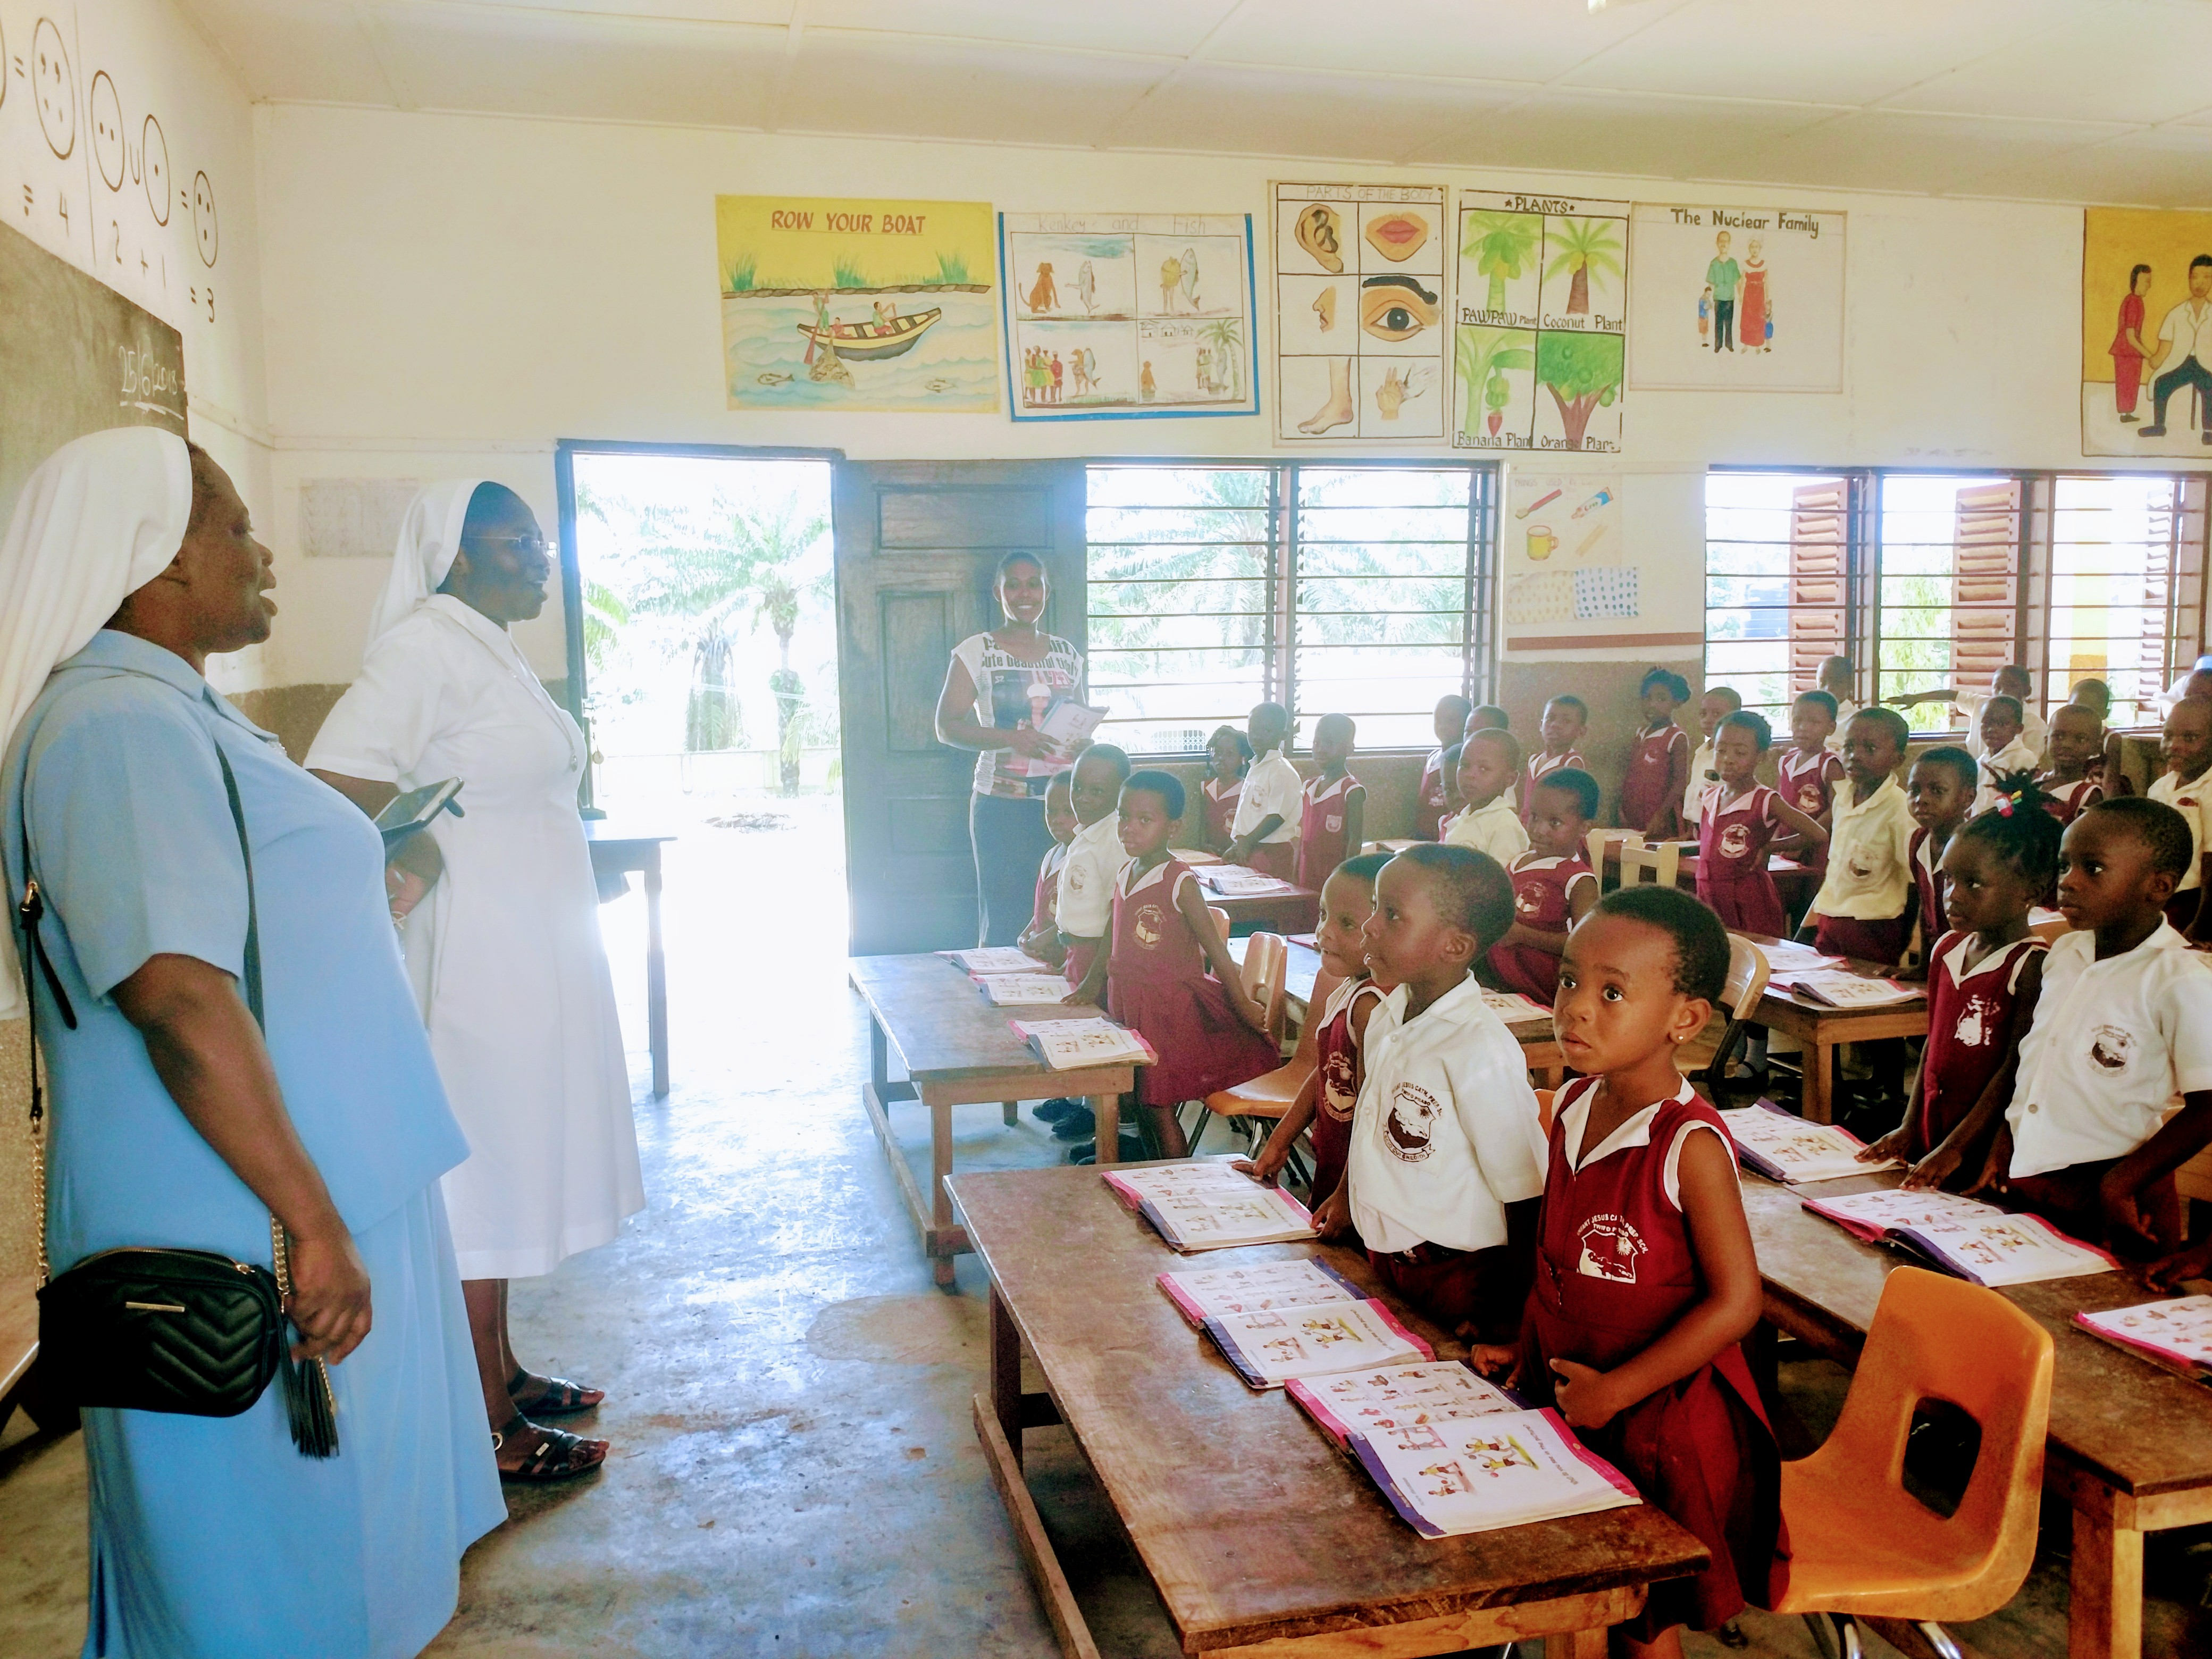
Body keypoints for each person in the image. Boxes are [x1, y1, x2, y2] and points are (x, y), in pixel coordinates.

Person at [0, 430, 504, 1653]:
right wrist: (314, 1221)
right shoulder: (114, 725)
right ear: (151, 557)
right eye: (230, 521)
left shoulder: (180, 712)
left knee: (332, 1556)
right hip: (239, 1227)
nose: (258, 546)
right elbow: (175, 997)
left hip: (302, 1192)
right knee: (259, 1576)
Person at [308, 479, 640, 1477]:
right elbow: (332, 790)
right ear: (456, 555)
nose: (541, 556)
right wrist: (408, 863)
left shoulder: (488, 646)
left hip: (531, 953)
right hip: (476, 969)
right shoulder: (422, 648)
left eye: (541, 541)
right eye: (517, 542)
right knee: (480, 1177)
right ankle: (487, 1424)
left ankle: (502, 1366)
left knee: (510, 1159)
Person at [1519, 887, 1779, 1656]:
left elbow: (1738, 1304)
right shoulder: (1571, 1104)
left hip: (1662, 1417)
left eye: (1611, 993)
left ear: (1685, 1019)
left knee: (1643, 1615)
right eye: (1570, 981)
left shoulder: (1687, 1144)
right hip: (1578, 1385)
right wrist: (1522, 1341)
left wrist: (1618, 1392)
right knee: (1580, 1590)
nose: (1577, 1009)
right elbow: (1558, 1254)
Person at [1317, 846, 1547, 1355]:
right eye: (1375, 908)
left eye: (1392, 915)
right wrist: (1345, 1195)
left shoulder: (1479, 1048)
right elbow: (1373, 1124)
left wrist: (1511, 1316)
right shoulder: (1386, 1015)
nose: (1371, 927)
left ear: (1455, 946)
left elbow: (1526, 1194)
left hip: (1460, 1278)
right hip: (1389, 1256)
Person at [1976, 798, 2212, 1257]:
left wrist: (2119, 1186)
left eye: (2094, 869)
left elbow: (2210, 1105)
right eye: (2065, 865)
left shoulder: (2180, 978)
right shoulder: (2065, 954)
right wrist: (2005, 1143)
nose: (2068, 881)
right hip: (2036, 1185)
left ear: (2158, 886)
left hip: (2117, 1194)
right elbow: (2036, 1065)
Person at [1067, 771, 1275, 1160]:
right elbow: (1112, 937)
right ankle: (1154, 1172)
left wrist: (1243, 1002)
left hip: (1165, 1007)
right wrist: (1089, 985)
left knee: (1159, 1104)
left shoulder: (1180, 881)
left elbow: (1216, 950)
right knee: (1140, 1100)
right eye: (1124, 817)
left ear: (1173, 828)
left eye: (1144, 820)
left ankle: (1179, 1178)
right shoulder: (1126, 874)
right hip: (1127, 999)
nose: (1130, 828)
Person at [1861, 782, 2055, 1192]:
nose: (1953, 896)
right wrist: (1908, 1126)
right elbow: (1935, 1039)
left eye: (1974, 884)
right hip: (1935, 1122)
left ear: (2030, 894)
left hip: (1978, 1139)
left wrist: (1957, 1147)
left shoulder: (2030, 964)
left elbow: (2014, 1070)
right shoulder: (1948, 948)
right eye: (1949, 880)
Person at [932, 551, 1086, 946]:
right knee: (1005, 915)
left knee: (1064, 913)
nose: (1025, 593)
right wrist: (1011, 739)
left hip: (1063, 806)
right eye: (1013, 585)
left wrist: (1084, 741)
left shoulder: (1067, 655)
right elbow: (946, 727)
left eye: (1034, 583)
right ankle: (1000, 1001)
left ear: (1046, 591)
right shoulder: (976, 652)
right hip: (1001, 805)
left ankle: (1052, 1004)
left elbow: (1078, 717)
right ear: (998, 592)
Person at [1236, 852, 1393, 1225]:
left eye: (1346, 924)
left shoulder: (1374, 1007)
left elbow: (1374, 1118)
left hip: (1360, 1183)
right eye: (1323, 914)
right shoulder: (1350, 989)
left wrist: (1346, 1195)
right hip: (1336, 1159)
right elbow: (1324, 1069)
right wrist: (1281, 1139)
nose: (1325, 932)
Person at [1046, 745, 1133, 1150]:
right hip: (1077, 953)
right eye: (1078, 787)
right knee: (1083, 1038)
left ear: (1120, 795)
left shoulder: (1113, 841)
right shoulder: (1087, 834)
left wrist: (1095, 976)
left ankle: (1112, 1135)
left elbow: (1116, 916)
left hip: (1099, 957)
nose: (1081, 798)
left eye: (1096, 792)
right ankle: (1087, 1110)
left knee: (1099, 1043)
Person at [1696, 711, 1828, 936]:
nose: (1728, 758)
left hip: (1748, 897)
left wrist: (1769, 847)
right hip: (1708, 891)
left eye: (1740, 753)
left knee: (1758, 955)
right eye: (1721, 750)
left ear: (1761, 757)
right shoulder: (1710, 796)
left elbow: (1818, 834)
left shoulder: (1765, 800)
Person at [1804, 707, 1917, 968]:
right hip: (1831, 917)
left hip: (1875, 925)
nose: (1855, 756)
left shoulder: (1899, 808)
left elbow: (1915, 881)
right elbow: (1836, 867)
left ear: (1897, 759)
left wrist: (1906, 940)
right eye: (1849, 747)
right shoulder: (1843, 798)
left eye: (1870, 748)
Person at [1488, 768, 1600, 1004]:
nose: (1539, 829)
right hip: (1500, 985)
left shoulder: (1578, 879)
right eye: (1534, 817)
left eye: (1555, 822)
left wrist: (1523, 936)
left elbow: (1586, 945)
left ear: (1584, 828)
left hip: (1542, 995)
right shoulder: (1518, 862)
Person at [2144, 695, 2212, 936]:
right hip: (2160, 892)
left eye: (2190, 738)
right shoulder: (2161, 787)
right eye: (2168, 735)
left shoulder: (2209, 789)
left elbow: (2210, 863)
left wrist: (2202, 923)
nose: (2174, 745)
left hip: (2196, 901)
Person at [1890, 664, 2047, 765]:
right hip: (1976, 772)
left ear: (2027, 692)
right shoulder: (1982, 704)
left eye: (2011, 686)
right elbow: (1951, 695)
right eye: (1997, 687)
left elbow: (2029, 769)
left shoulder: (2035, 725)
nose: (2002, 692)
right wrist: (1917, 698)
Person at [1903, 747, 1979, 956]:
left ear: (1968, 797)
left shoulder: (1975, 847)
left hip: (1968, 956)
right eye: (1914, 790)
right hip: (1940, 957)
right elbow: (1926, 909)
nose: (1921, 799)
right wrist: (1924, 966)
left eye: (1937, 791)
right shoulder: (1917, 841)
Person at [2138, 252, 2212, 441]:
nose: (2200, 283)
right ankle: (2159, 426)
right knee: (2162, 383)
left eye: (2207, 277)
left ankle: (2209, 432)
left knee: (2211, 385)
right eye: (2195, 277)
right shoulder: (2176, 314)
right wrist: (2154, 360)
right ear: (2189, 279)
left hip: (2207, 365)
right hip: (2182, 363)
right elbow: (2164, 349)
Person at [1225, 701, 1300, 881]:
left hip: (1272, 852)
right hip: (1251, 846)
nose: (1257, 736)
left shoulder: (1281, 771)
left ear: (1283, 735)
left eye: (1266, 731)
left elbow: (1277, 816)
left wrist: (1247, 842)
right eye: (1253, 730)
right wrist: (1239, 843)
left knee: (1268, 900)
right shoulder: (1256, 766)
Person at [1774, 689, 1844, 874]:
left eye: (1813, 722)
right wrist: (1776, 840)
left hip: (1816, 846)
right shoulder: (1786, 761)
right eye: (1797, 720)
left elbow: (1836, 808)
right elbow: (1779, 804)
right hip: (1786, 842)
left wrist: (1805, 839)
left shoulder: (1829, 764)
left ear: (1831, 728)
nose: (1803, 727)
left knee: (1810, 891)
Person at [1295, 713, 1365, 890]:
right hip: (1305, 874)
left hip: (1333, 877)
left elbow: (1355, 841)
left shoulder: (1351, 790)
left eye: (1330, 743)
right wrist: (1293, 872)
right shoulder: (1309, 786)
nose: (1321, 749)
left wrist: (1346, 880)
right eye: (1317, 743)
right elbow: (1300, 836)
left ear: (1349, 749)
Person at [1618, 671, 1691, 839]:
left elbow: (1679, 783)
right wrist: (1622, 807)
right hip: (1635, 810)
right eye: (1647, 698)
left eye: (1661, 699)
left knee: (1659, 858)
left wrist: (1661, 815)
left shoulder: (1676, 737)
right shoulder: (1640, 734)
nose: (1652, 704)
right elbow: (1631, 774)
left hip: (1660, 813)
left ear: (1677, 703)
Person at [1443, 726, 1529, 867]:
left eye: (1484, 769)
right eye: (1465, 765)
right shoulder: (1462, 818)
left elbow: (1503, 880)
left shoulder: (1504, 823)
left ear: (1510, 779)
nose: (1470, 775)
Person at [1017, 773, 1078, 972]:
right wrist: (1026, 935)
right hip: (1042, 959)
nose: (1057, 820)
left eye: (1068, 813)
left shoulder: (1082, 860)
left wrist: (1046, 937)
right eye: (1051, 811)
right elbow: (1042, 909)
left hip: (1067, 962)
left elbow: (1081, 917)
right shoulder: (1051, 855)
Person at [1968, 695, 2040, 815]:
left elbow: (2029, 795)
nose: (1992, 729)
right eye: (1986, 723)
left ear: (2019, 729)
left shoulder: (2024, 758)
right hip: (1978, 826)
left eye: (2002, 724)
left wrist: (2002, 807)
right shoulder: (1982, 760)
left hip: (2006, 826)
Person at [2040, 703, 2107, 827]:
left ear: (2096, 748)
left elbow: (2084, 839)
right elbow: (2014, 805)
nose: (2067, 745)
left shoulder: (2088, 795)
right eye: (2058, 736)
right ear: (2046, 741)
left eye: (2080, 739)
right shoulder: (2034, 781)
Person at [1682, 685, 1740, 830]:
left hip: (1719, 827)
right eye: (1703, 714)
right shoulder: (1701, 752)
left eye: (1716, 714)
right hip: (1698, 827)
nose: (1708, 720)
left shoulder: (1731, 758)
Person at [1417, 694, 1473, 841]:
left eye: (1451, 721)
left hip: (1448, 836)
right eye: (1438, 720)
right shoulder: (1432, 757)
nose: (1442, 726)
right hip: (1424, 834)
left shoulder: (1464, 761)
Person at [1526, 694, 1589, 824]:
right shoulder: (1534, 760)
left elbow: (1570, 810)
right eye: (1550, 718)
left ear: (1581, 731)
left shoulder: (1572, 763)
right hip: (1528, 828)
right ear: (1541, 725)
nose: (1555, 725)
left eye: (1566, 721)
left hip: (1551, 833)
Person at [1199, 723, 1252, 851]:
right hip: (1209, 852)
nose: (1221, 759)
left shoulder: (1247, 789)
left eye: (1230, 754)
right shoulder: (1206, 787)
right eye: (1218, 753)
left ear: (1242, 759)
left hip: (1236, 854)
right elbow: (1202, 824)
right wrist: (1203, 845)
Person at [2112, 263, 2154, 423]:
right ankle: (2125, 413)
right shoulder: (2134, 302)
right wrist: (2148, 354)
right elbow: (2130, 335)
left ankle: (2126, 413)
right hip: (2127, 350)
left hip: (2130, 351)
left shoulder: (2134, 301)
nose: (2149, 285)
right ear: (2136, 281)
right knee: (2127, 382)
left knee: (2130, 382)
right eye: (2146, 281)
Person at [1816, 656, 1859, 754]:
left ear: (1850, 685)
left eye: (1837, 683)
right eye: (1822, 682)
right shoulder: (1809, 717)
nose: (1828, 689)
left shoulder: (1857, 721)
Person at [1707, 230, 1740, 353]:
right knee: (1718, 323)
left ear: (1730, 244)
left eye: (1726, 241)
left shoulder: (1733, 263)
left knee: (1729, 323)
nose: (1723, 244)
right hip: (1718, 298)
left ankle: (1729, 344)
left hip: (1730, 299)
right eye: (1721, 241)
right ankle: (1718, 345)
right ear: (1717, 243)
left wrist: (1742, 296)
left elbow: (1738, 282)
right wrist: (1706, 296)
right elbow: (1710, 283)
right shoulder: (1714, 263)